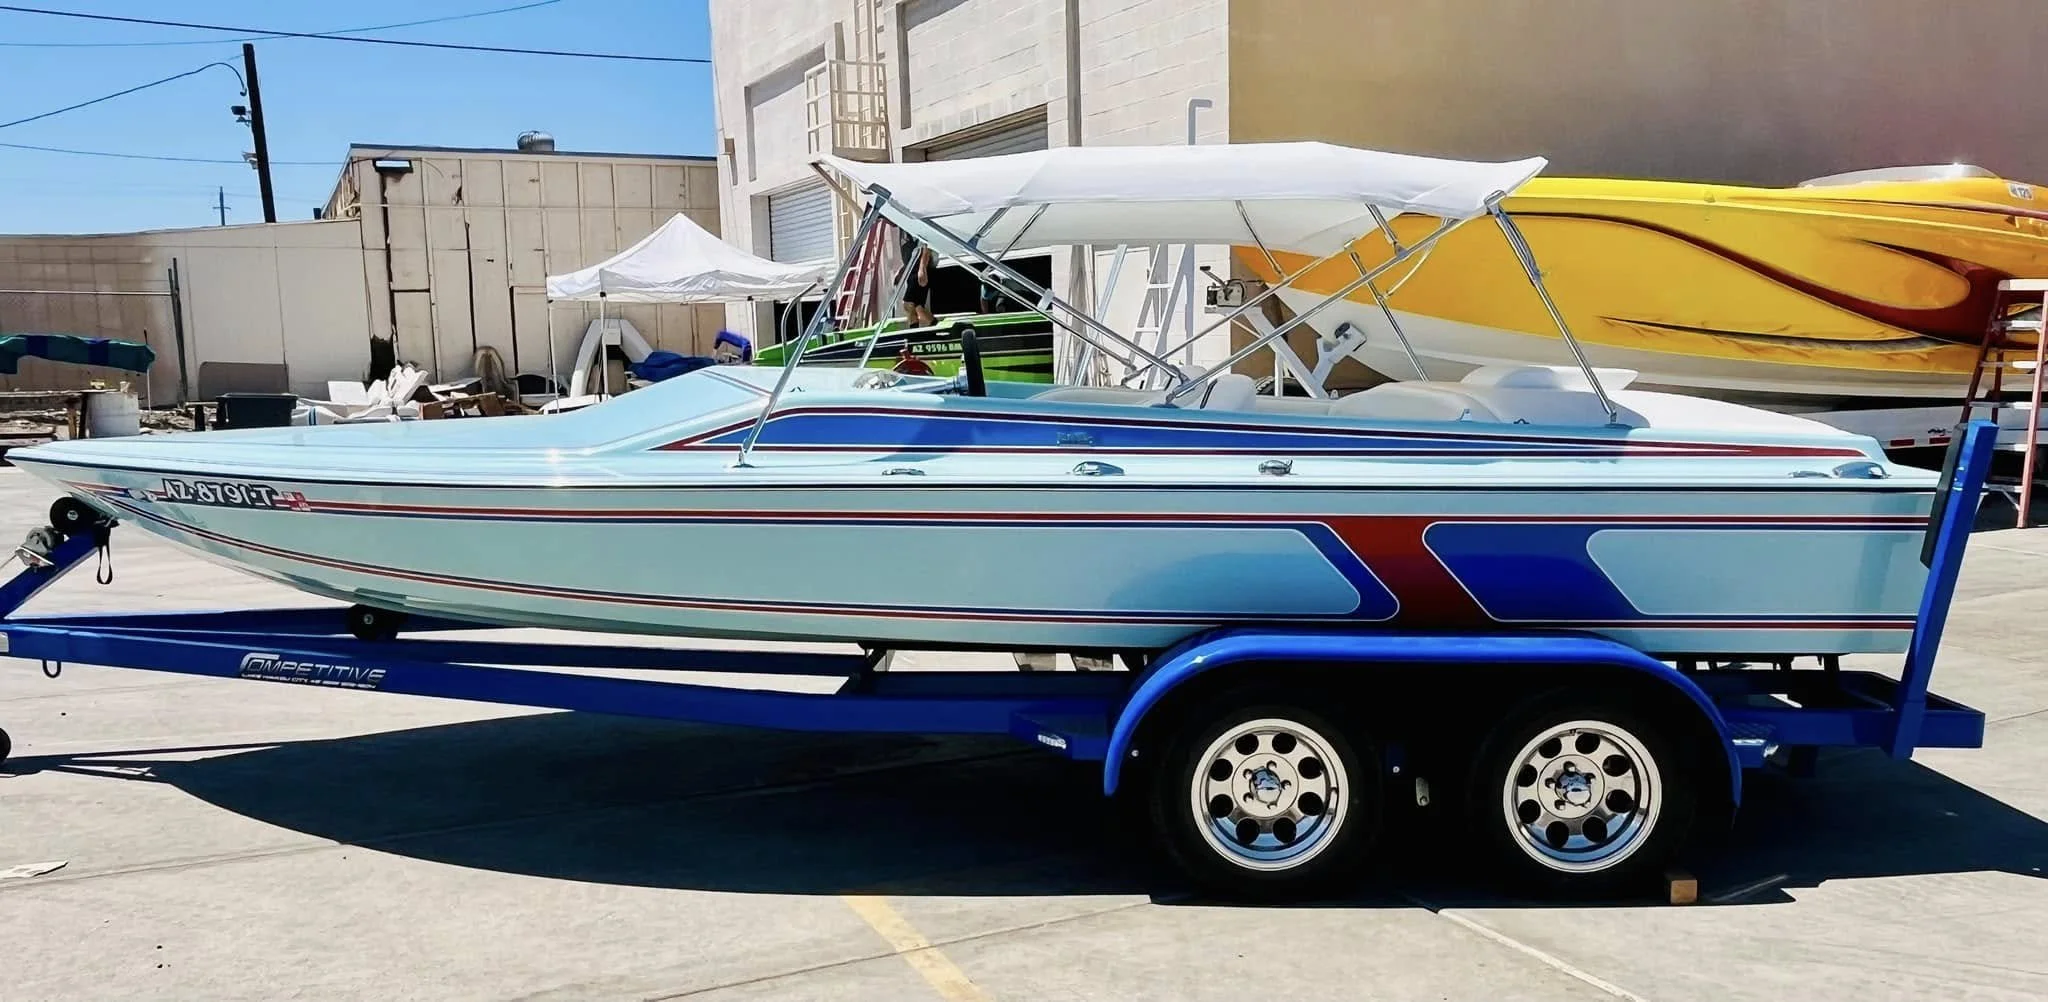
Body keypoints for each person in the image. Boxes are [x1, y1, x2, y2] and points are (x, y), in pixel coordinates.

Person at [899, 231, 935, 328]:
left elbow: (927, 245)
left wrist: (922, 268)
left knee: (909, 304)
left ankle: (915, 331)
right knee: (918, 307)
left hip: (918, 268)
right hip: (912, 268)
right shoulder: (904, 232)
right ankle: (935, 325)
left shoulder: (915, 227)